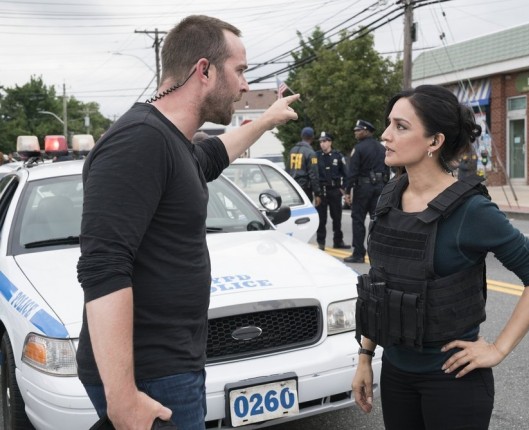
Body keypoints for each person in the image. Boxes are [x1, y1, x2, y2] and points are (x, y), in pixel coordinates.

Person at [76, 15, 299, 430]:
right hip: (150, 376)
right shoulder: (139, 141)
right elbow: (103, 267)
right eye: (240, 70)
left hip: (171, 366)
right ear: (204, 70)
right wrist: (122, 398)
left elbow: (212, 156)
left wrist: (267, 120)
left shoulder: (171, 140)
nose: (245, 85)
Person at [351, 85, 529, 429]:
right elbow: (379, 287)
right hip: (397, 375)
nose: (386, 135)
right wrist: (365, 357)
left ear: (434, 141)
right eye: (389, 124)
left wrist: (498, 349)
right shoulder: (389, 196)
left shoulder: (471, 209)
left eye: (401, 126)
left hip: (452, 382)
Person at [343, 119, 388, 263]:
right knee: (376, 221)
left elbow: (353, 172)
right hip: (379, 188)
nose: (355, 132)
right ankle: (378, 254)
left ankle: (358, 254)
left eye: (358, 130)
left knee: (358, 220)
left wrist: (347, 191)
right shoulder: (382, 148)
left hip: (363, 189)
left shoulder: (359, 148)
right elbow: (387, 168)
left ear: (366, 131)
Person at [315, 131, 350, 251]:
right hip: (322, 191)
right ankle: (321, 243)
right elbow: (313, 174)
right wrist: (316, 191)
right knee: (321, 219)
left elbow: (346, 174)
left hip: (335, 190)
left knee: (337, 217)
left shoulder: (337, 156)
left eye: (324, 141)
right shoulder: (316, 156)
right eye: (321, 142)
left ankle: (338, 241)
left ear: (330, 142)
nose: (322, 144)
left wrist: (343, 189)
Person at [288, 126, 321, 206]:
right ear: (312, 137)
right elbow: (313, 174)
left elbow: (287, 170)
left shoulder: (292, 150)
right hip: (305, 188)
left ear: (301, 136)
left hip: (293, 187)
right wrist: (317, 193)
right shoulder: (310, 153)